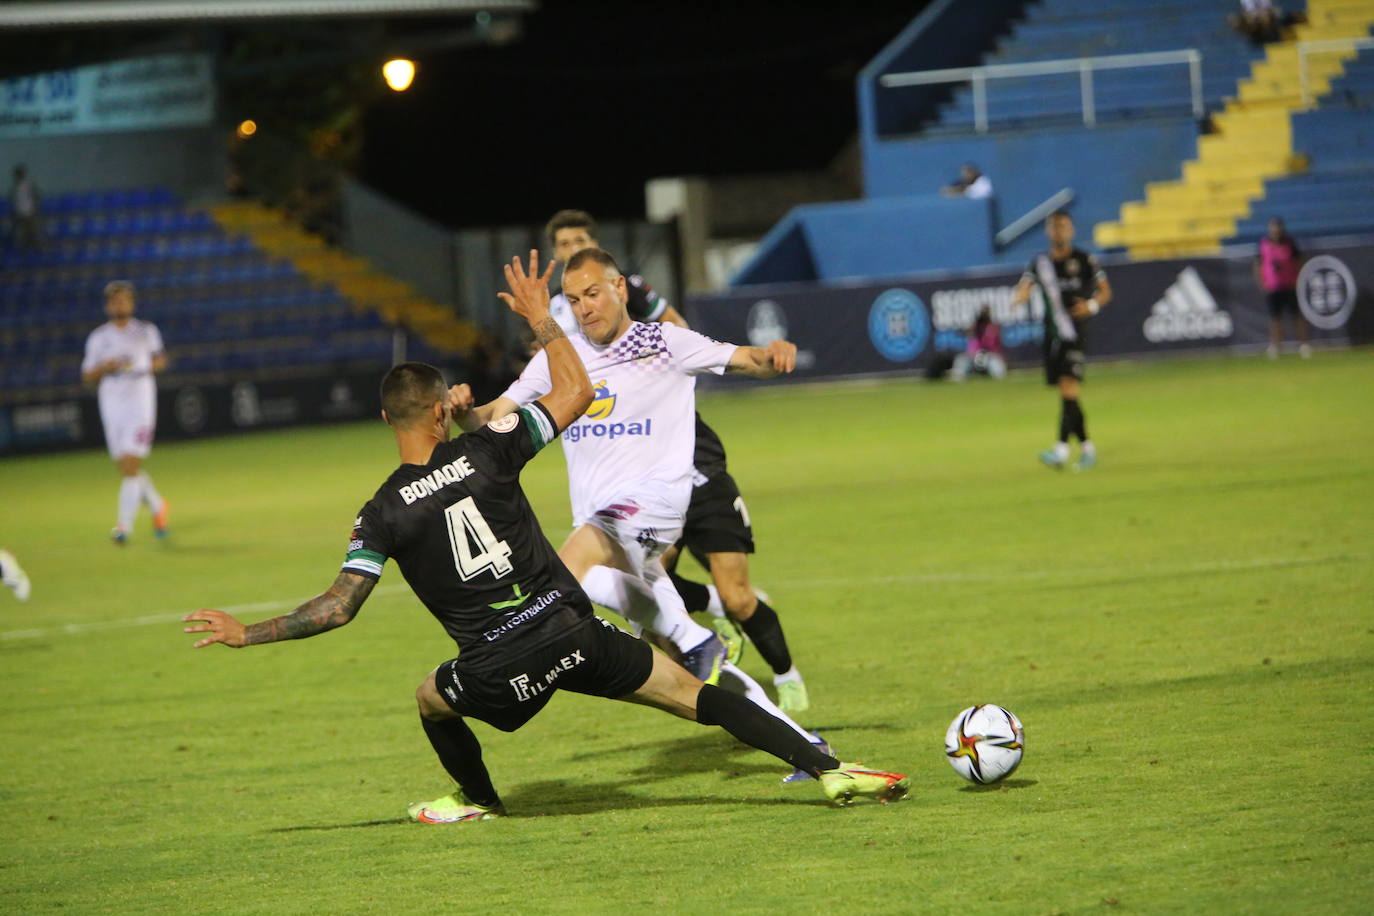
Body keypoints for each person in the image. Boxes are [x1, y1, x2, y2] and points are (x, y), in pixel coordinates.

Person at [182, 251, 909, 820]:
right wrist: (543, 319)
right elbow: (574, 393)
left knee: (431, 698)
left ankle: (477, 800)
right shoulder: (489, 451)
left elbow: (337, 607)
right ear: (442, 412)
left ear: (388, 422)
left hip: (502, 669)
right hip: (574, 632)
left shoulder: (380, 512)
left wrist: (248, 633)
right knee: (692, 693)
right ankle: (827, 768)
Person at [457, 248, 830, 775]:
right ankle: (805, 746)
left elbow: (744, 358)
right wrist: (462, 411)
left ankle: (699, 632)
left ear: (619, 290)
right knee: (686, 670)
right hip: (609, 527)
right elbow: (495, 416)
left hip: (652, 504)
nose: (584, 308)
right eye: (572, 299)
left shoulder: (662, 342)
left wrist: (773, 354)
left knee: (559, 572)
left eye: (592, 294)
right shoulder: (559, 359)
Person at [543, 208, 811, 713]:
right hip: (634, 482)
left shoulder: (636, 304)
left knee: (736, 596)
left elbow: (683, 334)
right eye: (563, 242)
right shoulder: (558, 321)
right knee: (645, 597)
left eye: (579, 239)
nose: (569, 248)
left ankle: (782, 675)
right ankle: (733, 687)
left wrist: (660, 366)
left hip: (691, 462)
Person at [1011, 211, 1112, 471]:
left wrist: (1091, 306)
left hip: (1076, 334)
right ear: (1048, 232)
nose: (1059, 231)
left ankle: (1061, 450)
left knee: (1069, 390)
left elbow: (1105, 292)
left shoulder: (1084, 260)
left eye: (1064, 227)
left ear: (1072, 231)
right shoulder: (1040, 263)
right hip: (1053, 335)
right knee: (1068, 396)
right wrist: (1020, 296)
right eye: (1055, 227)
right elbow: (1026, 284)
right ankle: (1087, 449)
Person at [81, 281, 170, 543]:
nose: (120, 304)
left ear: (132, 303)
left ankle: (124, 527)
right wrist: (105, 367)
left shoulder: (146, 331)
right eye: (115, 300)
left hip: (140, 400)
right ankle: (157, 506)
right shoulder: (99, 337)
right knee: (125, 467)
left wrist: (143, 365)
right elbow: (87, 376)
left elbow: (160, 360)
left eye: (125, 300)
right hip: (111, 401)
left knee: (131, 464)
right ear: (108, 305)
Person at [1256, 217, 1310, 360]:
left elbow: (1299, 260)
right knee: (1275, 318)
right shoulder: (1264, 244)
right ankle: (1275, 346)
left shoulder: (1289, 243)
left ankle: (1303, 345)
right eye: (1273, 228)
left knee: (1296, 316)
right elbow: (1258, 264)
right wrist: (1262, 283)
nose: (1275, 231)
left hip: (1289, 285)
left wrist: (1296, 278)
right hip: (1273, 287)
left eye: (1277, 228)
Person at [949, 307, 1006, 381]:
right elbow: (965, 332)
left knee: (999, 372)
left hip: (989, 356)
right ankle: (958, 377)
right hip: (974, 355)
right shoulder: (976, 326)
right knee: (961, 360)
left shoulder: (993, 327)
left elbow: (996, 346)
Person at [8, 165, 43, 252]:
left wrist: (35, 208)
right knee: (20, 235)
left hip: (30, 213)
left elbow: (37, 196)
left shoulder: (29, 185)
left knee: (34, 233)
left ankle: (37, 252)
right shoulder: (15, 188)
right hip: (19, 214)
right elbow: (13, 200)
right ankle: (22, 252)